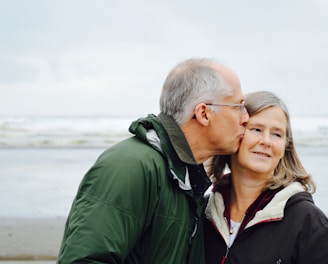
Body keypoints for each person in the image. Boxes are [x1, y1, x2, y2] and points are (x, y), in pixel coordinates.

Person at [57, 58, 249, 263]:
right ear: (203, 113)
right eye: (238, 106)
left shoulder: (185, 177)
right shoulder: (131, 166)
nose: (245, 118)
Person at [203, 91, 328, 264]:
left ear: (285, 147)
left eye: (277, 134)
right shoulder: (204, 212)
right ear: (235, 134)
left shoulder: (308, 222)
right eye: (256, 129)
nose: (266, 141)